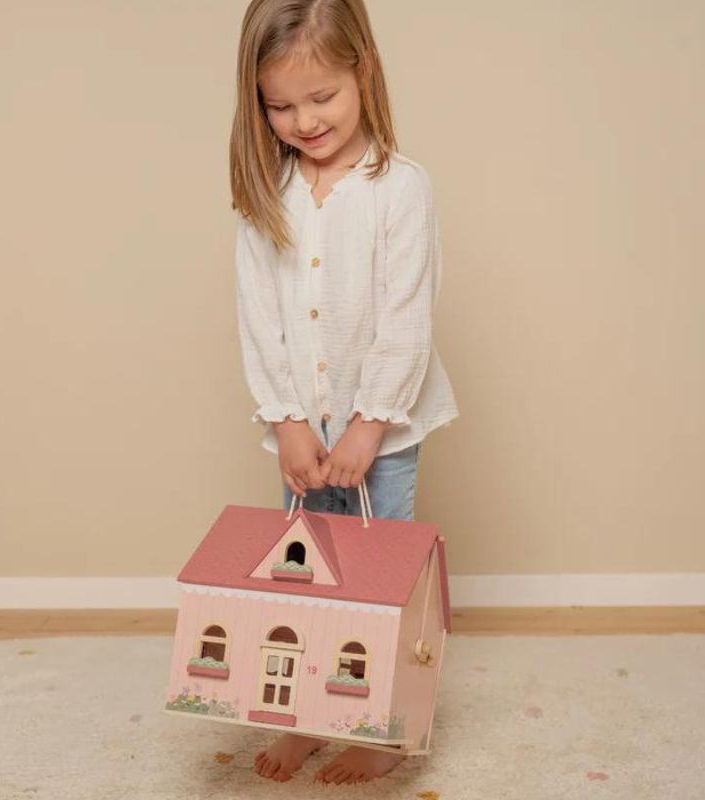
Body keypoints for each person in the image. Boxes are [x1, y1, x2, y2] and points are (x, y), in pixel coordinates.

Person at [229, 0, 459, 785]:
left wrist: (368, 424)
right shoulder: (270, 192)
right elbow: (259, 316)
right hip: (303, 429)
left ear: (362, 71)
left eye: (320, 97)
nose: (303, 120)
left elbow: (406, 316)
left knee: (372, 579)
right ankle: (302, 717)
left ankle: (380, 726)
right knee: (305, 576)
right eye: (281, 105)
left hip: (381, 428)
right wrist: (288, 420)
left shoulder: (400, 188)